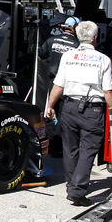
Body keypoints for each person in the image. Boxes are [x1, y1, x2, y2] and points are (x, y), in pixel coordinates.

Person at [44, 21, 112, 206]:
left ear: (78, 37)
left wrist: (50, 105)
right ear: (95, 38)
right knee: (88, 150)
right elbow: (108, 91)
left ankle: (72, 185)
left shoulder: (68, 56)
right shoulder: (103, 59)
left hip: (69, 107)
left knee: (69, 149)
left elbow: (58, 85)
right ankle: (77, 191)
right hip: (92, 110)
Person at [38, 16, 80, 155]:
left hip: (53, 81)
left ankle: (50, 146)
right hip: (70, 83)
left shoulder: (51, 40)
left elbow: (40, 56)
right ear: (76, 28)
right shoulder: (78, 44)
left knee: (50, 111)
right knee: (64, 114)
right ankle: (60, 148)